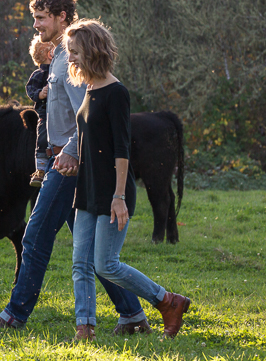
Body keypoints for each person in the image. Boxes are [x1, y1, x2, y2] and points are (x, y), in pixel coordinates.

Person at [0, 0, 150, 335]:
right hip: (63, 161)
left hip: (70, 165)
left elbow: (88, 114)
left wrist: (68, 150)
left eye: (41, 18)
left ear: (61, 18)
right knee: (91, 254)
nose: (36, 25)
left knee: (35, 237)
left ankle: (13, 316)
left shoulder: (72, 58)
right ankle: (132, 315)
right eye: (35, 18)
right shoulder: (57, 56)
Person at [65, 19, 190, 340]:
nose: (71, 59)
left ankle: (167, 301)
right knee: (81, 264)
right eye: (69, 52)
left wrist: (119, 197)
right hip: (87, 188)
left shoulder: (116, 92)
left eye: (75, 52)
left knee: (106, 265)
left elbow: (122, 150)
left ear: (92, 50)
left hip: (112, 192)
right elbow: (91, 140)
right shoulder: (89, 88)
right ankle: (85, 328)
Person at [25, 35, 53, 188]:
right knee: (42, 139)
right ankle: (40, 169)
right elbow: (30, 90)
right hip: (45, 114)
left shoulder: (61, 70)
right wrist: (40, 94)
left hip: (60, 114)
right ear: (50, 54)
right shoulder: (39, 74)